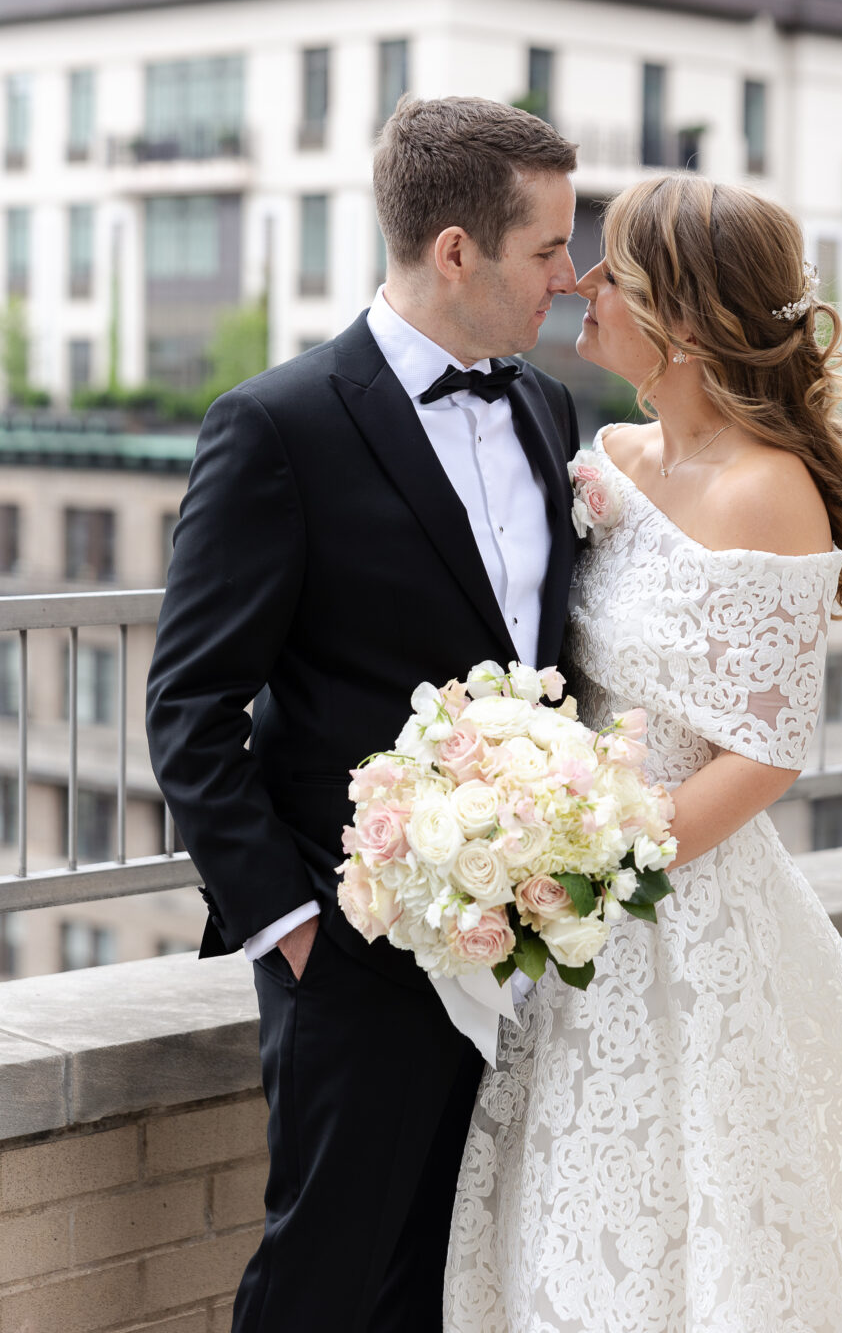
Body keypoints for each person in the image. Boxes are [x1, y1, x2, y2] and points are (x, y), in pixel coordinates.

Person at [444, 172, 842, 1331]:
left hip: (673, 901)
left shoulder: (769, 492)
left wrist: (590, 867)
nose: (581, 283)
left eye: (611, 269)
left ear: (681, 317)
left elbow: (765, 753)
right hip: (570, 917)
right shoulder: (607, 464)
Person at [145, 95, 580, 1333]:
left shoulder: (544, 410)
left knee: (446, 1280)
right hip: (353, 945)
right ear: (457, 251)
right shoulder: (275, 425)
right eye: (546, 247)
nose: (567, 273)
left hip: (514, 944)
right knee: (322, 1278)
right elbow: (190, 706)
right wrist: (294, 932)